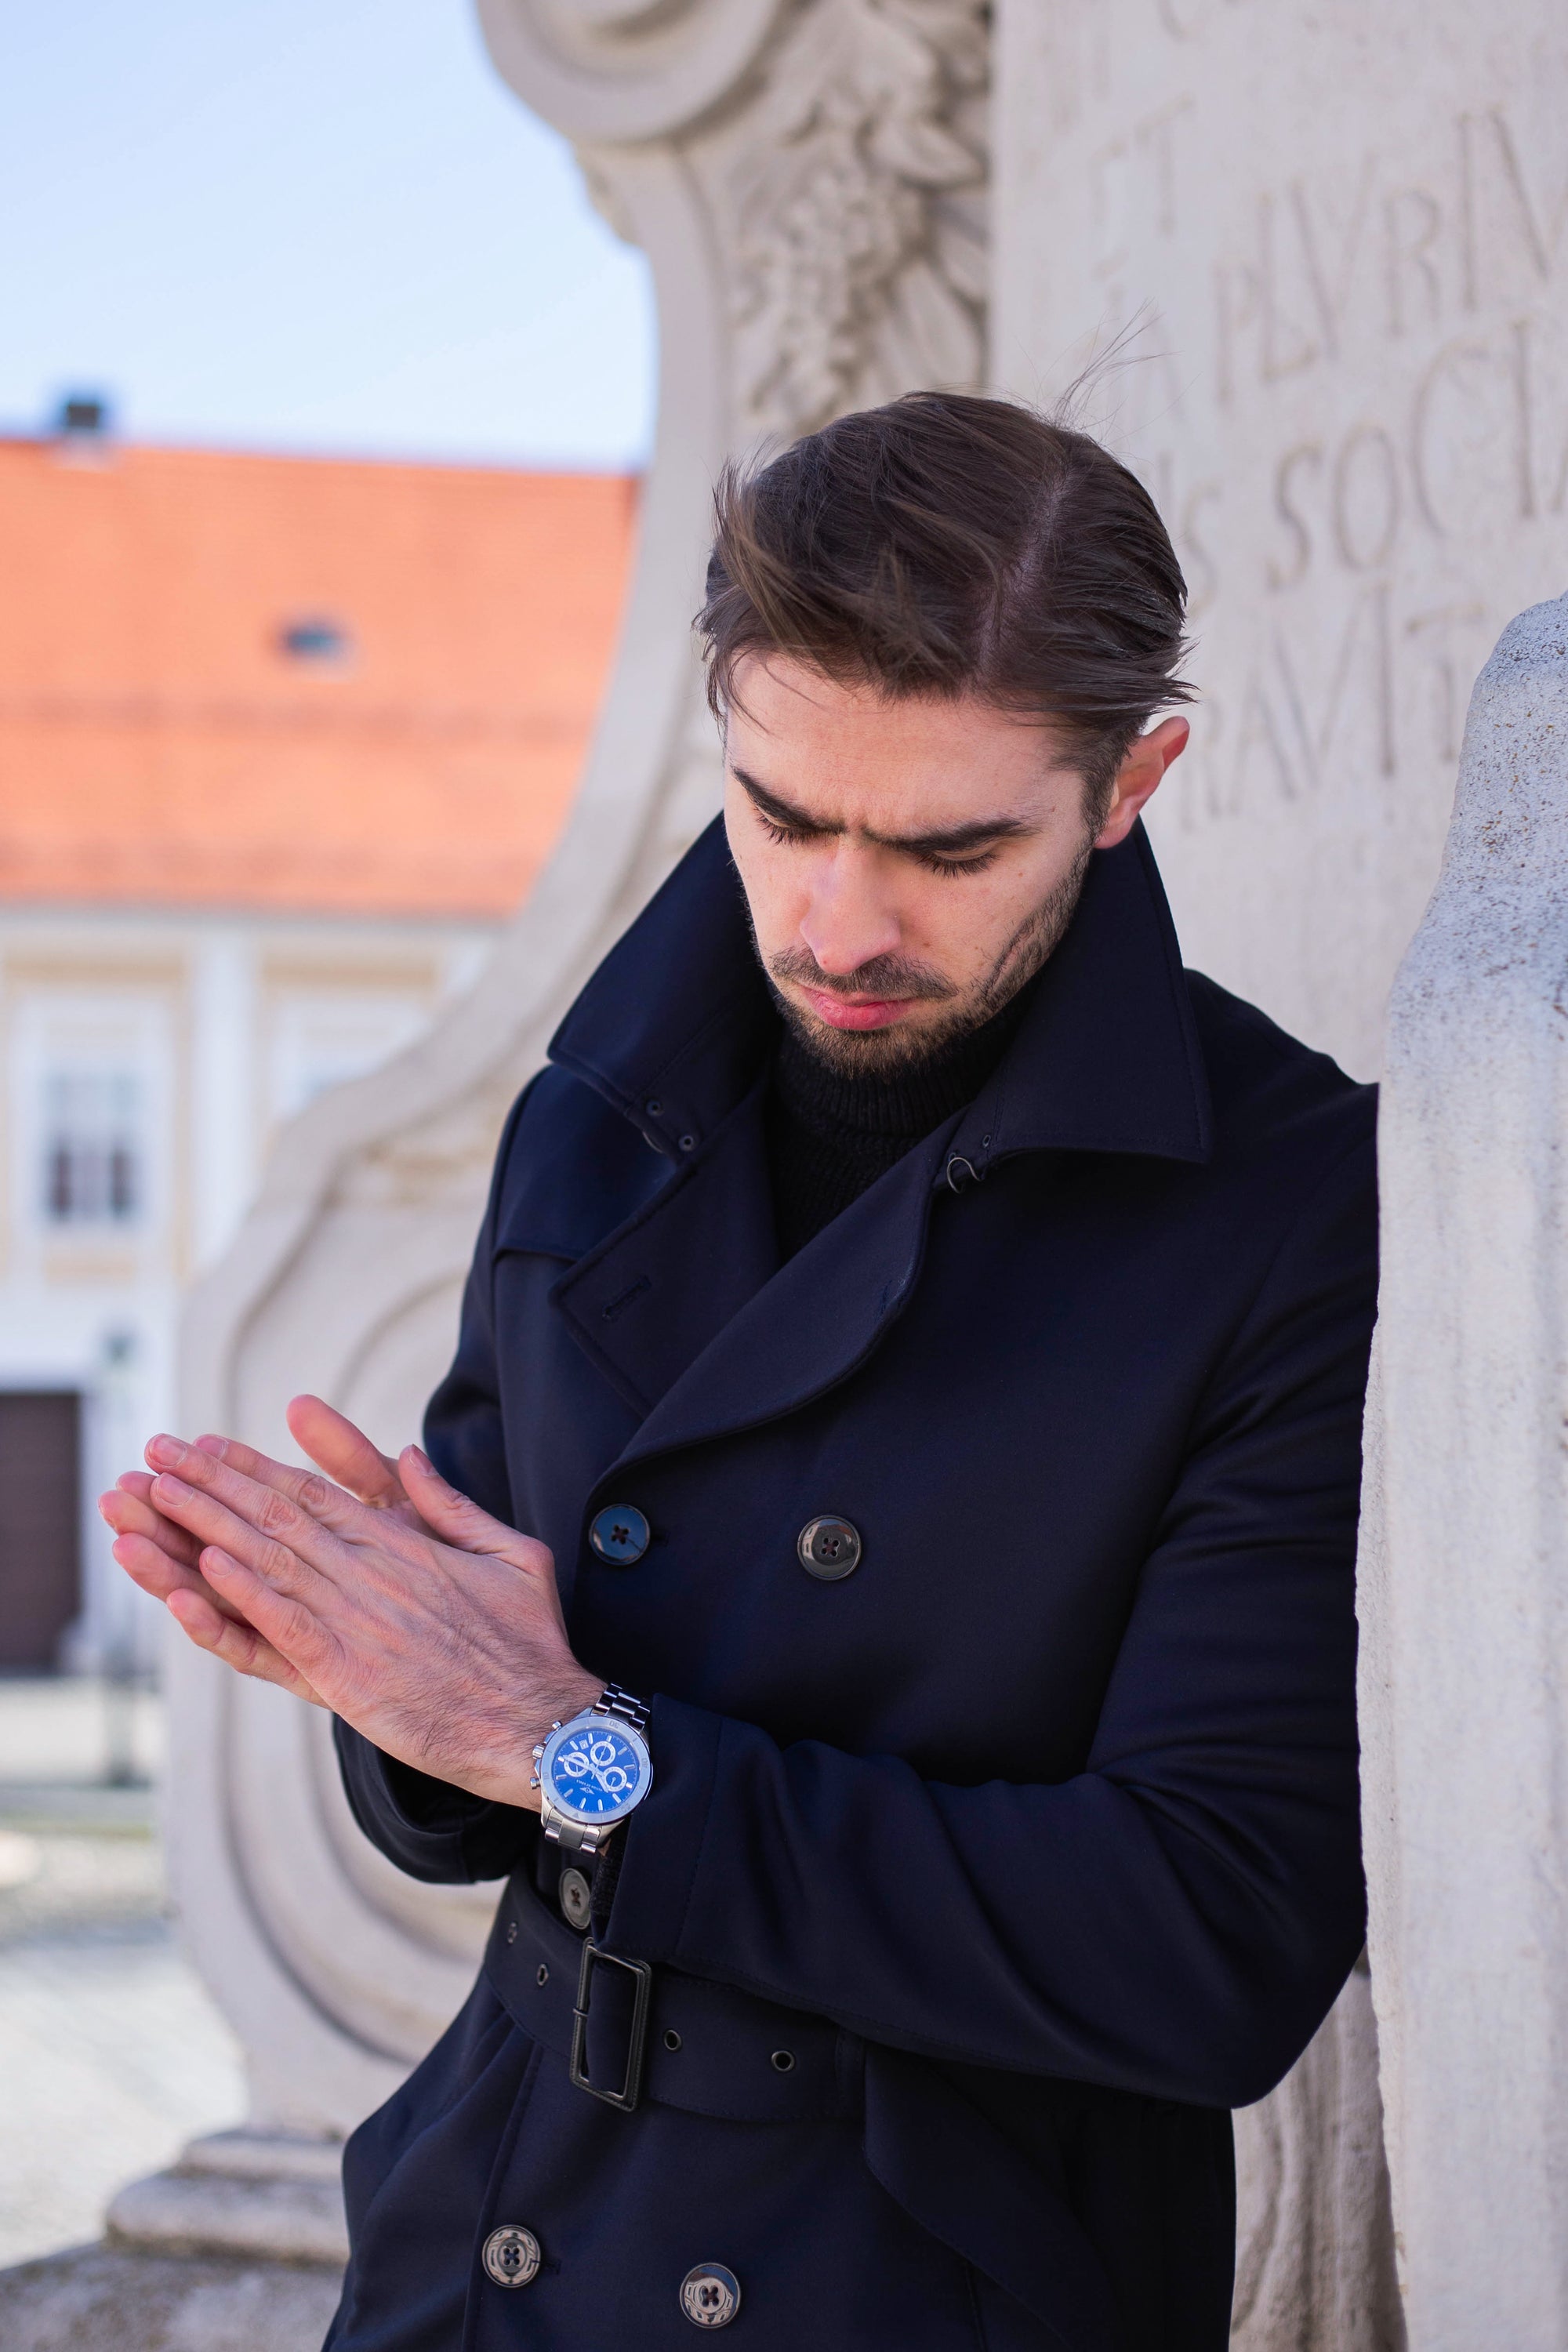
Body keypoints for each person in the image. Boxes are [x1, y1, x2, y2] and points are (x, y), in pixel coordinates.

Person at [102, 392, 1376, 2352]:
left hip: (929, 2271)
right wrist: (381, 1676)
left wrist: (565, 1744)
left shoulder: (1283, 1204)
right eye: (784, 817)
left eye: (950, 845)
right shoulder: (599, 1113)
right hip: (489, 2225)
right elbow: (472, 1778)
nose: (840, 923)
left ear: (1130, 785)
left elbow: (1212, 1942)